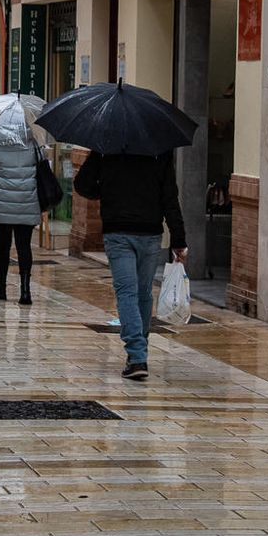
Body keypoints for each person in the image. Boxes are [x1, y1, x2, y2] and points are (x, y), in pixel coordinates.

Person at [74, 149, 186, 381]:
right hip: (150, 232)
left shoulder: (105, 148)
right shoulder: (159, 150)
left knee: (127, 292)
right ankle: (139, 352)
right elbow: (169, 197)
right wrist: (178, 238)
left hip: (118, 230)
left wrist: (104, 190)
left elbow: (82, 184)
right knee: (143, 293)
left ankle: (136, 357)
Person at [0, 133, 41, 305]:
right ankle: (25, 291)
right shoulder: (32, 141)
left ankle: (1, 288)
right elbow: (41, 163)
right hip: (26, 201)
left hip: (2, 202)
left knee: (3, 246)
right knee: (24, 246)